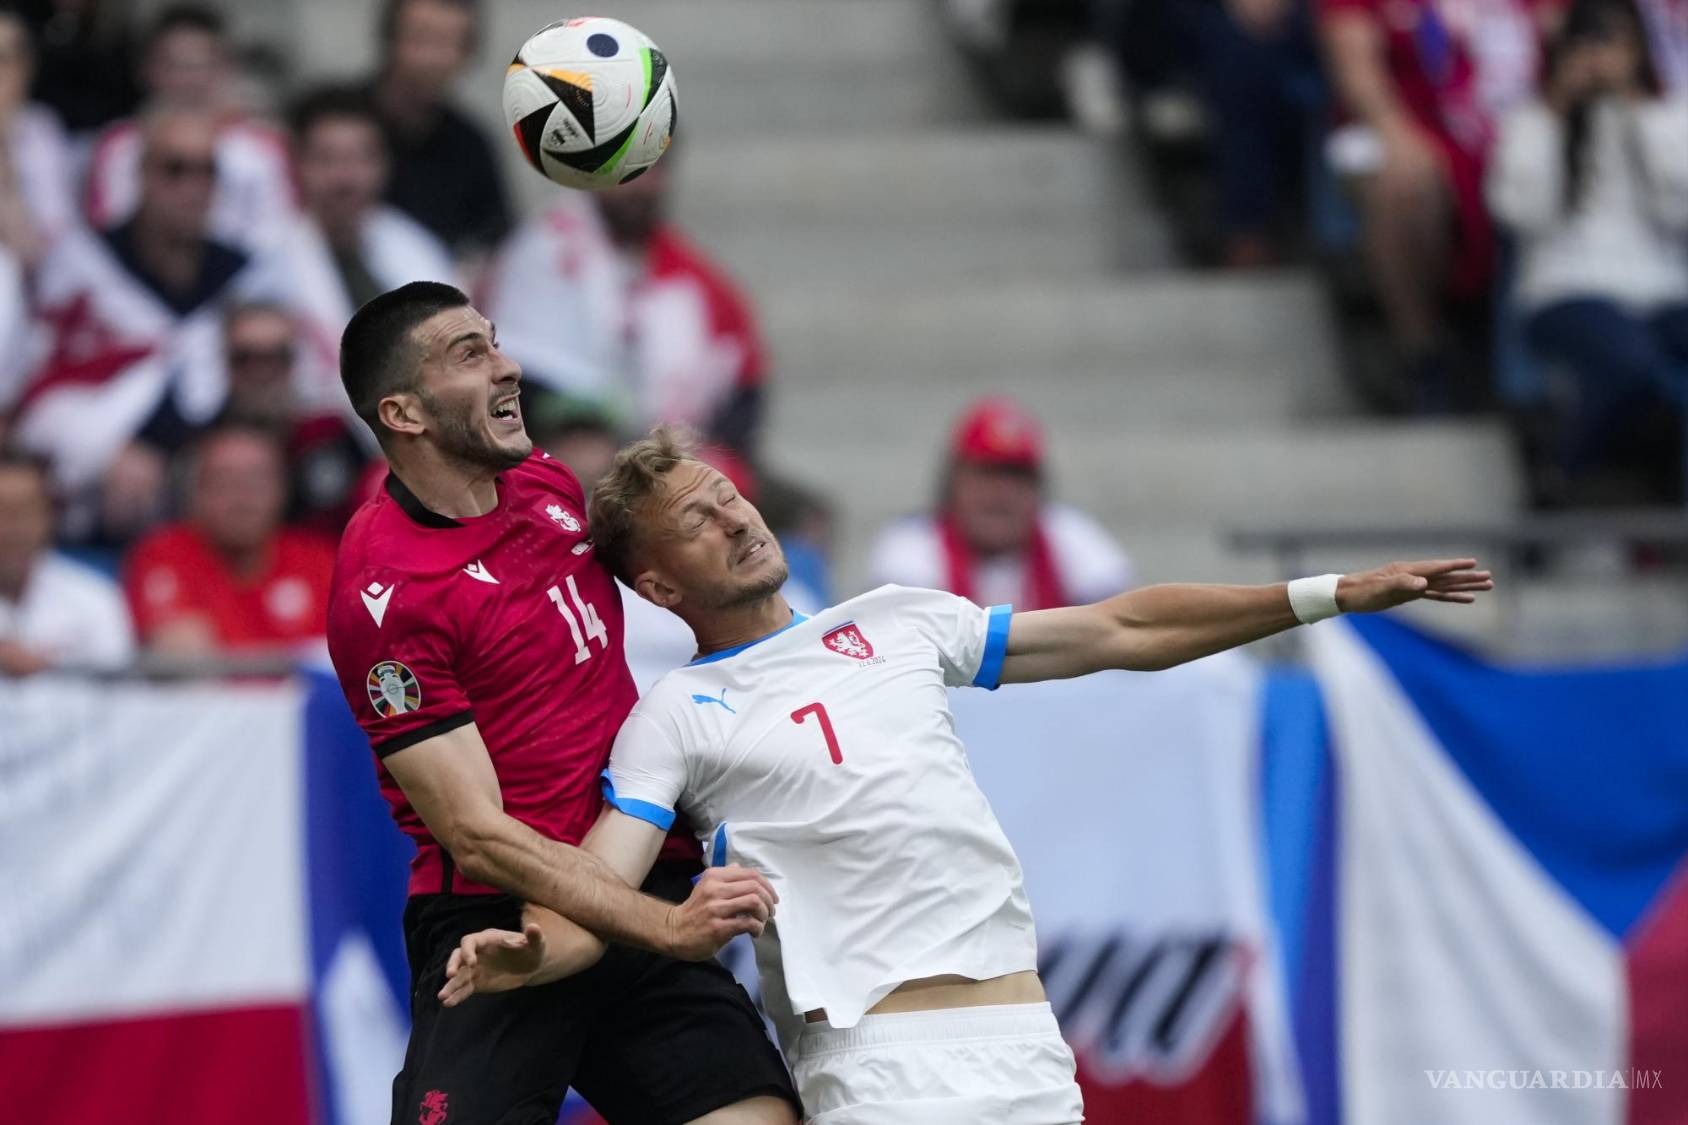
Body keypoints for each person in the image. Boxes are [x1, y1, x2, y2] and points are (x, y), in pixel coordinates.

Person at [436, 426, 1493, 1124]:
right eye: (697, 521)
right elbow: (604, 879)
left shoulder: (897, 620)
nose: (735, 518)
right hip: (874, 1063)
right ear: (659, 581)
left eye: (728, 497)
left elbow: (1121, 626)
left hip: (1022, 1046)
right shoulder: (677, 713)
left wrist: (1325, 593)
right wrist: (528, 953)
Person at [324, 282, 799, 1125]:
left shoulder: (543, 481)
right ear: (404, 412)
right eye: (468, 354)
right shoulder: (385, 594)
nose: (508, 365)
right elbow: (475, 834)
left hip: (639, 865)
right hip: (499, 927)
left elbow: (674, 578)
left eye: (495, 341)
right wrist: (659, 926)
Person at [13, 106, 288, 540]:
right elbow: (43, 391)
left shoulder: (245, 276)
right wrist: (105, 451)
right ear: (142, 173)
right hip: (98, 508)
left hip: (216, 498)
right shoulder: (84, 265)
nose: (194, 187)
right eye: (176, 169)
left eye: (208, 172)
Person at [1489, 0, 1688, 491]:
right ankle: (1563, 472)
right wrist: (1561, 112)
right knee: (1631, 364)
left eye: (1614, 42)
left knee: (1645, 362)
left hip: (1663, 290)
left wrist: (1638, 113)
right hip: (1566, 289)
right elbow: (1519, 212)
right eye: (1589, 42)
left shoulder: (1669, 116)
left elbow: (1679, 210)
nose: (1600, 57)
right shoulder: (1532, 122)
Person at [1320, 0, 1547, 403]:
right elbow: (1355, 65)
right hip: (1412, 122)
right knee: (1404, 181)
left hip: (1519, 124)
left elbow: (1560, 40)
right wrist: (1396, 132)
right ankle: (1422, 350)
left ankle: (1530, 379)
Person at [481, 152, 769, 457]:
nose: (640, 184)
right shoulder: (544, 251)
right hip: (564, 447)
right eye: (625, 167)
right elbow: (516, 370)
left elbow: (744, 387)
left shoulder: (697, 281)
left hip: (674, 456)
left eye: (651, 168)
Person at [278, 85, 455, 412]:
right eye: (326, 159)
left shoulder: (418, 248)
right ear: (297, 165)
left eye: (361, 158)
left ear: (384, 165)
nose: (345, 178)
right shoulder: (267, 257)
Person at [868, 397, 1133, 611]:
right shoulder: (912, 545)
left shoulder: (1071, 535)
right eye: (987, 474)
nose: (1002, 493)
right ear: (953, 482)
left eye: (1018, 477)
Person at [83, 4, 295, 254]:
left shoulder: (265, 146)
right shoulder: (118, 145)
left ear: (226, 68)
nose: (188, 79)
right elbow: (107, 232)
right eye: (175, 65)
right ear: (146, 70)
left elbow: (281, 235)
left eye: (199, 65)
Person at [125, 424, 335, 657]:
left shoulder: (318, 560)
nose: (243, 497)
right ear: (195, 493)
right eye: (224, 481)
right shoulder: (163, 553)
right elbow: (183, 656)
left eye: (258, 481)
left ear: (283, 489)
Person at [365, 0, 512, 259]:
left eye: (449, 43)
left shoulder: (472, 145)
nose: (432, 59)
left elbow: (497, 244)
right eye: (422, 39)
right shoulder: (337, 123)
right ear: (390, 39)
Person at [0, 449, 133, 675]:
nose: (10, 529)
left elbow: (122, 694)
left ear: (49, 516)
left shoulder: (95, 597)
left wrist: (52, 669)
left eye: (23, 512)